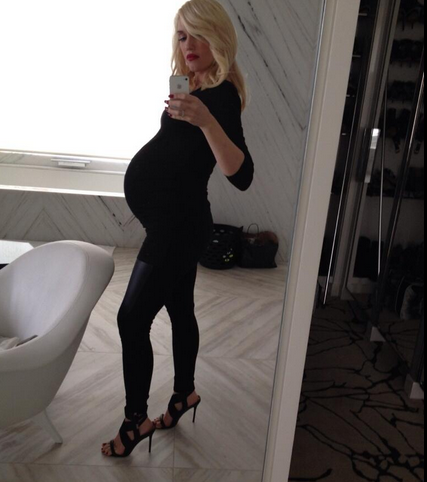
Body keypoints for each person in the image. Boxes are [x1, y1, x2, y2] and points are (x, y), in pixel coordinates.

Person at [101, 0, 254, 458]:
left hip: (178, 228)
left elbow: (241, 174)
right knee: (181, 309)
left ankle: (135, 422)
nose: (188, 44)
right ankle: (184, 394)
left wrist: (205, 120)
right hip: (176, 223)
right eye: (183, 35)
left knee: (131, 319)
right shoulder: (193, 85)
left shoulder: (221, 95)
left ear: (218, 37)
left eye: (198, 34)